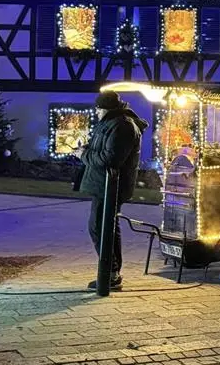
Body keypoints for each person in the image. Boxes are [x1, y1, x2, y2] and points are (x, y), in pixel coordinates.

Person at [74, 91, 148, 290]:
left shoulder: (122, 126)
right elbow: (104, 151)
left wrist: (83, 154)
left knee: (100, 227)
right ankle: (111, 272)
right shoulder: (112, 123)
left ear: (105, 109)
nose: (96, 112)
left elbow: (110, 160)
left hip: (110, 185)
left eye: (98, 109)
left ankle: (111, 273)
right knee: (105, 227)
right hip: (103, 185)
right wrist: (87, 149)